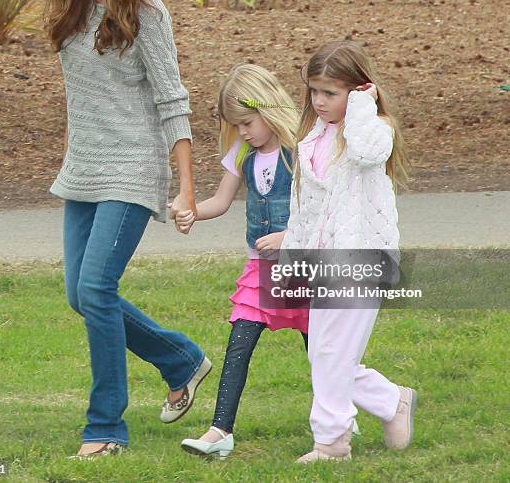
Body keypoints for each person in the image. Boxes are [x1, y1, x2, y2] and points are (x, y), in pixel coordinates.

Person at [46, 0, 211, 458]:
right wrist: (72, 153)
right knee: (79, 294)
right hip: (86, 167)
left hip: (134, 166)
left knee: (96, 288)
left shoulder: (148, 11)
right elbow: (81, 94)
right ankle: (182, 360)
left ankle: (105, 429)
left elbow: (172, 100)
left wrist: (186, 187)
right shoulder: (73, 0)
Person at [281, 40, 416, 463]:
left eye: (330, 93)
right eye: (314, 92)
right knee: (324, 353)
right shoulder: (315, 138)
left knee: (332, 354)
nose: (319, 101)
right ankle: (391, 399)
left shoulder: (373, 129)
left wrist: (362, 106)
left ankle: (332, 442)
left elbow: (366, 152)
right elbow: (303, 208)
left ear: (358, 91)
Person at [175, 64, 309, 460]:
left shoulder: (300, 150)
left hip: (302, 266)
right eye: (236, 126)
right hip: (259, 269)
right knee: (239, 343)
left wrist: (289, 236)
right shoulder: (242, 154)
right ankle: (220, 431)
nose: (244, 132)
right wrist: (192, 211)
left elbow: (319, 207)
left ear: (268, 110)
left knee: (320, 348)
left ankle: (340, 414)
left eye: (248, 122)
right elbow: (220, 201)